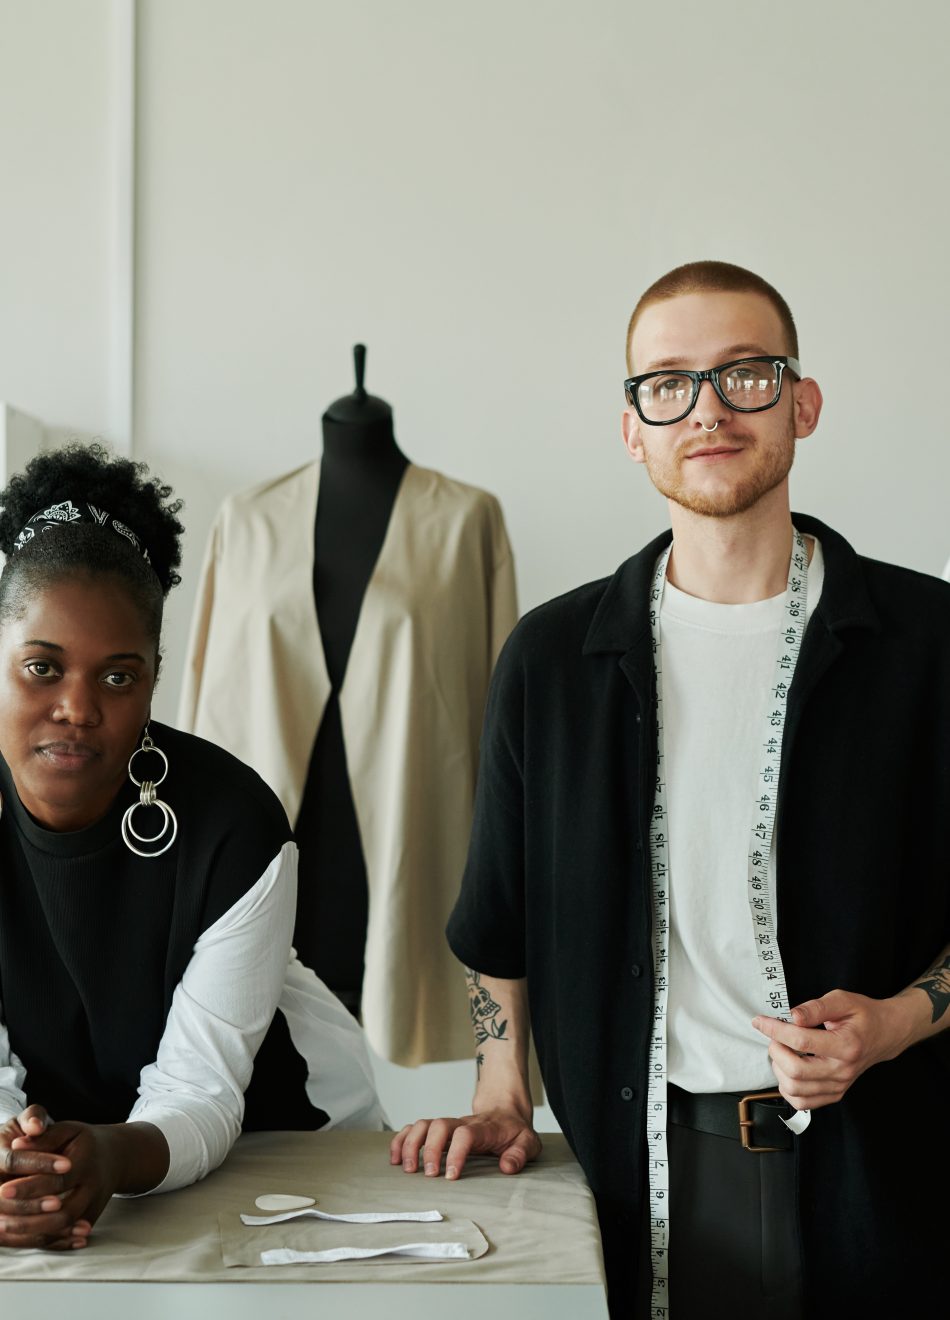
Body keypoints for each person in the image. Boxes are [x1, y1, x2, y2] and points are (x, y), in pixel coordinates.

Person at [390, 261, 950, 1318]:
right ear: (631, 427)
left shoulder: (927, 646)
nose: (706, 409)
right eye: (667, 383)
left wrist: (892, 1023)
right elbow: (498, 927)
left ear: (802, 401)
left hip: (891, 1183)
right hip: (638, 1181)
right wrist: (501, 1094)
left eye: (744, 374)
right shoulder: (553, 660)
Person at [0, 443, 386, 1252]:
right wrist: (20, 1168)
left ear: (154, 676)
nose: (76, 707)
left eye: (117, 677)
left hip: (288, 1148)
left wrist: (108, 1154)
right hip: (71, 1162)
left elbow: (203, 1090)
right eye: (42, 667)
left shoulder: (231, 823)